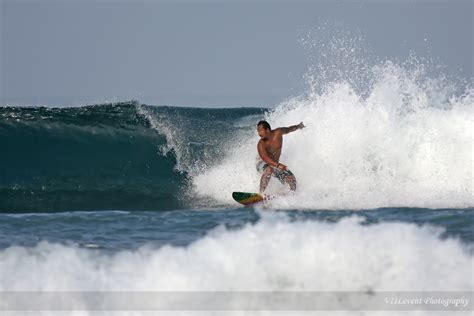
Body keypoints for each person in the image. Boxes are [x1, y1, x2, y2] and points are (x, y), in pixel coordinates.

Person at [256, 120, 305, 193]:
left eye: (260, 131)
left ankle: (291, 196)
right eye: (258, 131)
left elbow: (289, 129)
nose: (259, 133)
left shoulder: (278, 132)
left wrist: (298, 126)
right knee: (269, 169)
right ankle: (260, 194)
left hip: (275, 166)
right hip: (262, 164)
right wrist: (278, 165)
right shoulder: (261, 144)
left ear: (267, 130)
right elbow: (265, 158)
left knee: (292, 180)